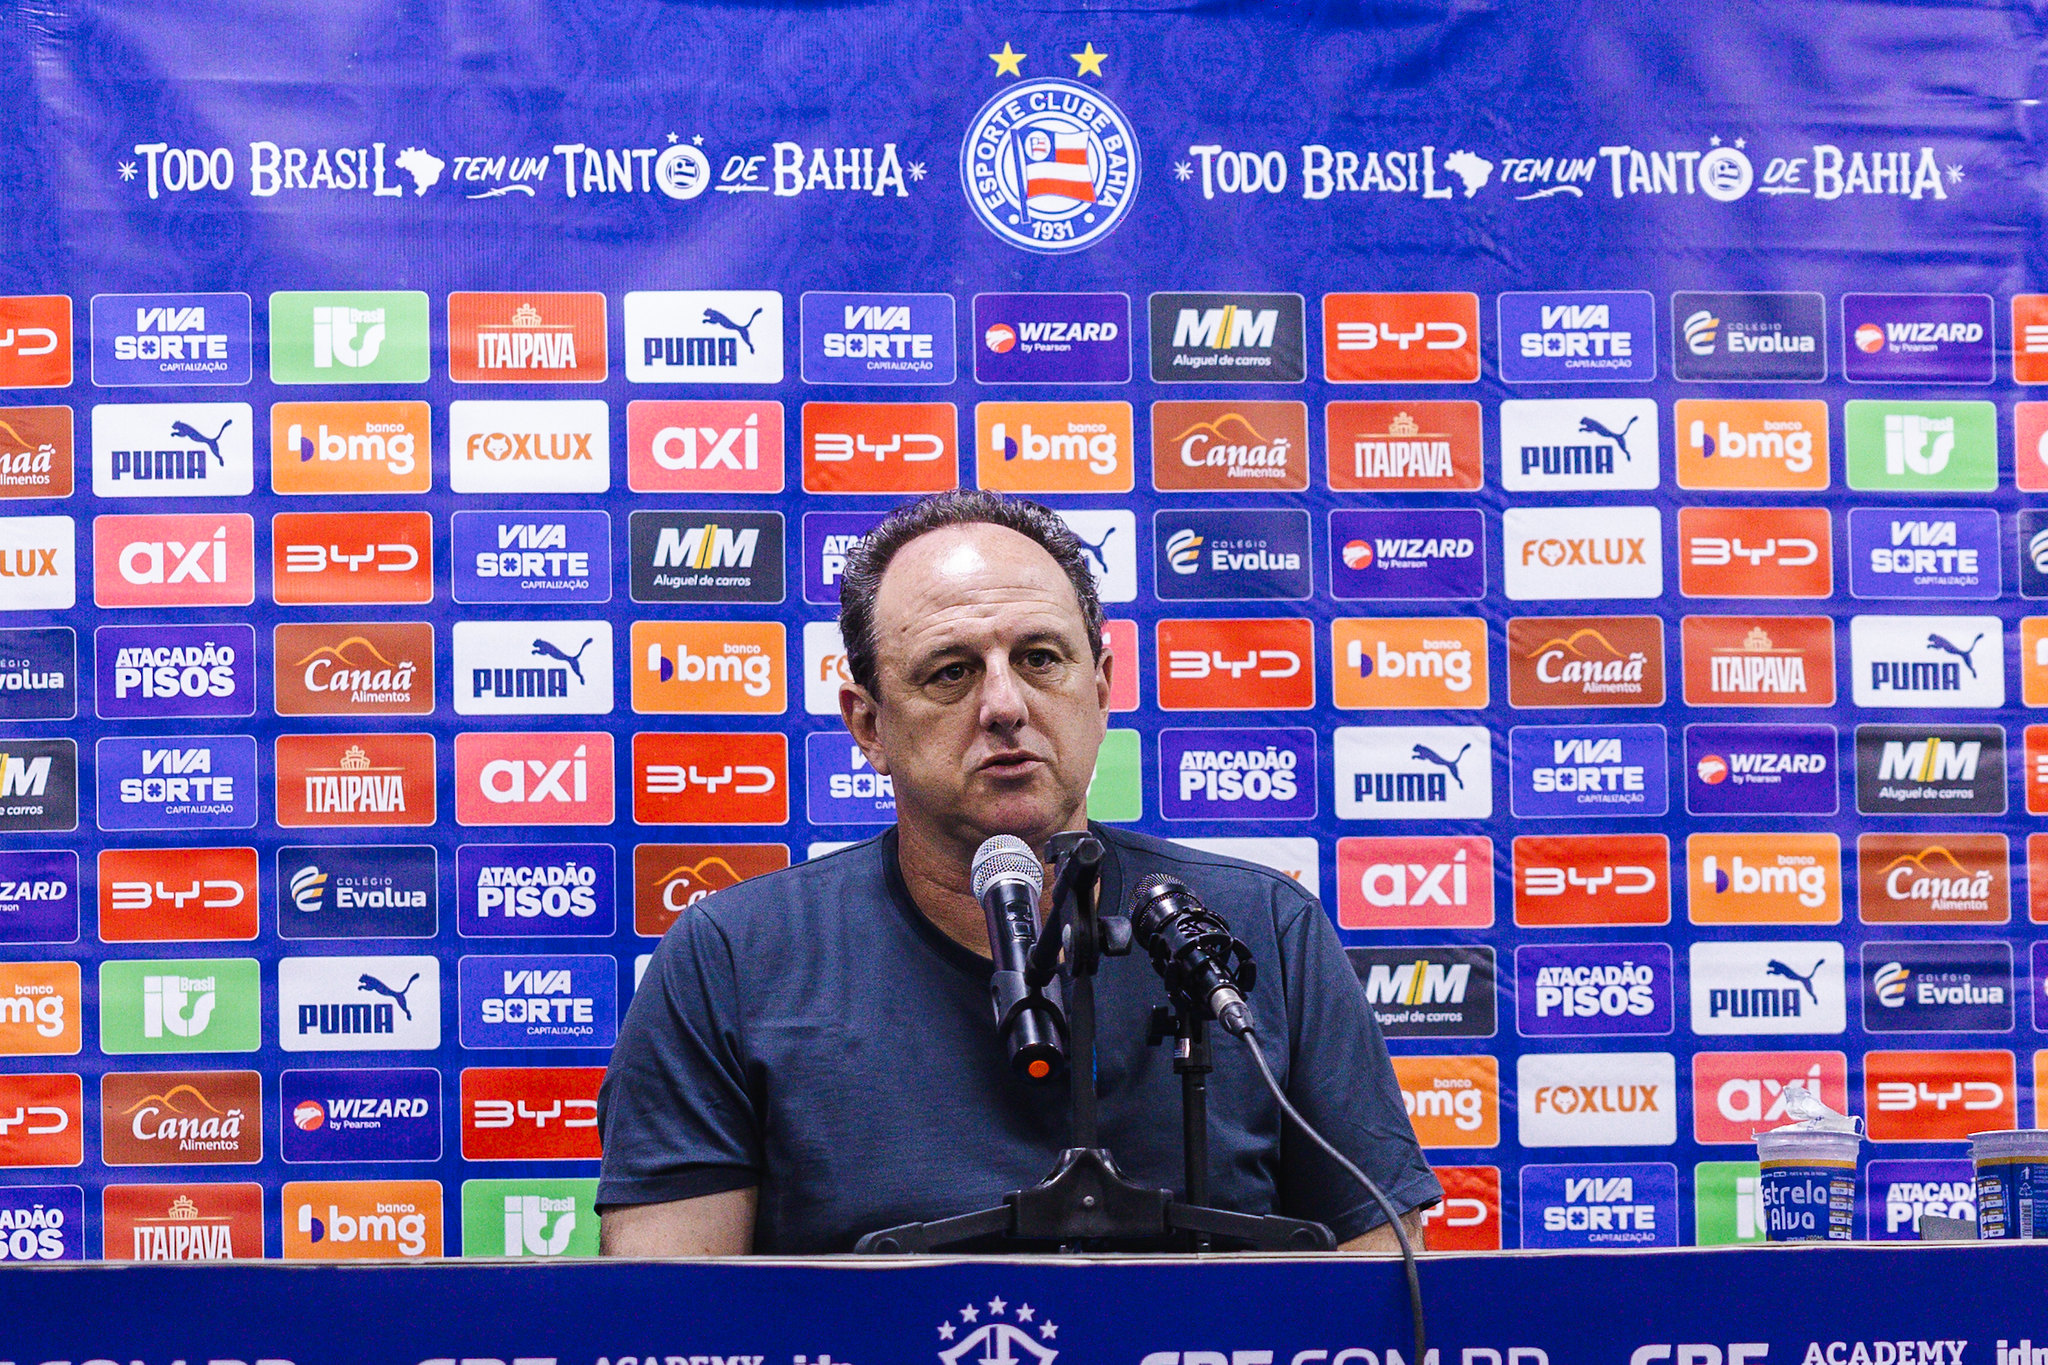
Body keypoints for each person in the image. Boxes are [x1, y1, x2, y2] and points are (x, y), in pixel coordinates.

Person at [596, 489, 1439, 1255]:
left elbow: (1385, 1297)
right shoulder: (731, 960)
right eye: (951, 671)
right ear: (869, 725)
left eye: (1039, 658)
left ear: (1101, 690)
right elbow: (668, 1324)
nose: (1004, 705)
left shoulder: (1260, 933)